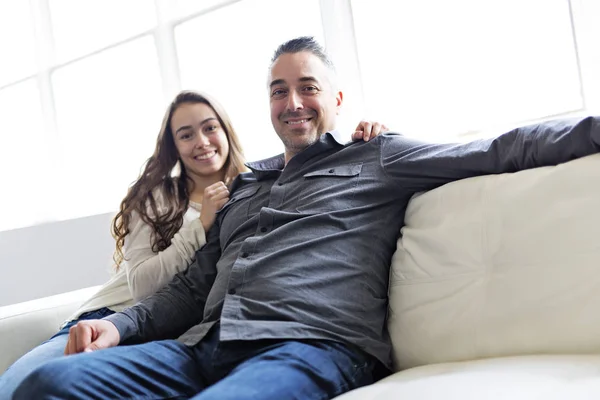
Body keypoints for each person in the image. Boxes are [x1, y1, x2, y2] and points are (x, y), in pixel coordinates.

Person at [14, 37, 600, 400]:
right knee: (47, 383)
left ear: (337, 100)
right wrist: (121, 327)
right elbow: (193, 286)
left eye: (308, 87)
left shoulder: (379, 155)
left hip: (309, 346)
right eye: (278, 90)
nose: (292, 102)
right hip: (203, 347)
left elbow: (503, 148)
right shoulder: (246, 184)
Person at [0, 87, 387, 398]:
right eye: (185, 135)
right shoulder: (157, 197)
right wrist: (200, 224)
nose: (201, 142)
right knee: (23, 385)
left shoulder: (257, 187)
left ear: (226, 130)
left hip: (185, 329)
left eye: (209, 128)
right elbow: (143, 287)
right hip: (116, 314)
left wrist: (367, 137)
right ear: (174, 146)